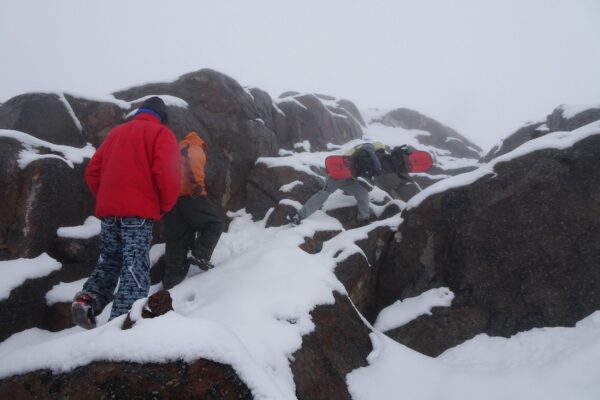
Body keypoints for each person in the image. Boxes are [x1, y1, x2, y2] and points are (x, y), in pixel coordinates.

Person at [71, 97, 180, 329]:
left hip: (109, 212)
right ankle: (122, 323)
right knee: (134, 265)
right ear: (162, 117)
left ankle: (87, 299)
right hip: (139, 214)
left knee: (109, 259)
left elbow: (93, 171)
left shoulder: (116, 134)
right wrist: (163, 205)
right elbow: (167, 175)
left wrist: (107, 198)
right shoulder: (161, 134)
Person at [162, 131, 224, 290]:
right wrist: (197, 183)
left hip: (172, 199)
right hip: (191, 194)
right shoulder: (194, 146)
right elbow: (195, 161)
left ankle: (171, 285)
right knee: (214, 224)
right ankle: (200, 255)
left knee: (178, 240)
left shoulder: (176, 148)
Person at [288, 142, 384, 226]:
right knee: (323, 195)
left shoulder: (368, 156)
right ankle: (299, 216)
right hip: (336, 176)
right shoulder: (368, 149)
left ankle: (363, 219)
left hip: (348, 179)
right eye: (380, 154)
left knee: (362, 193)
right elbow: (367, 158)